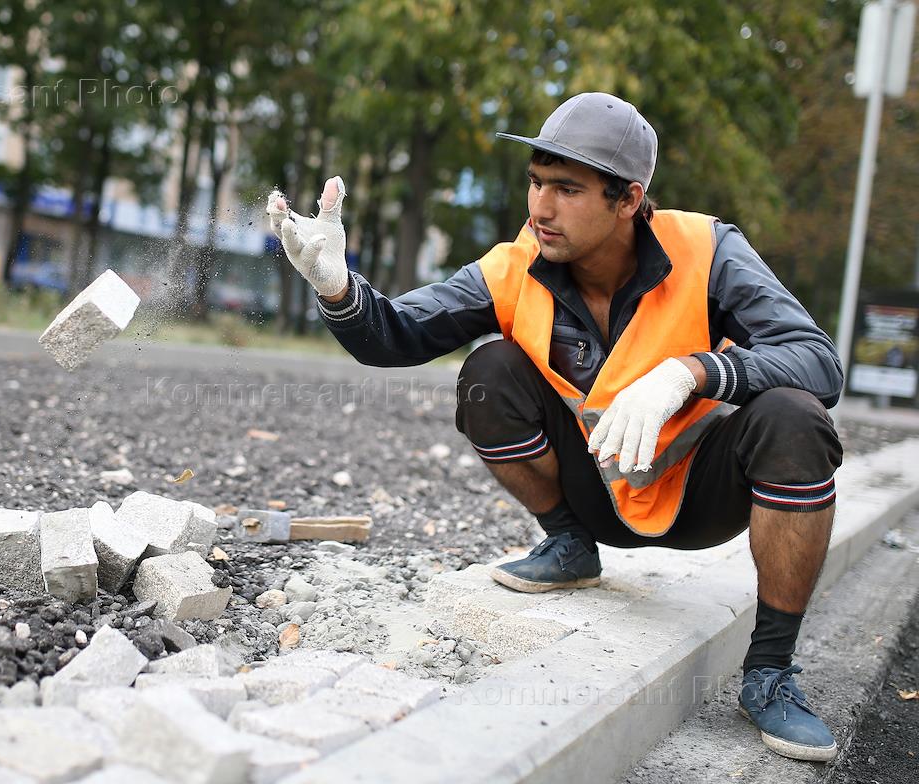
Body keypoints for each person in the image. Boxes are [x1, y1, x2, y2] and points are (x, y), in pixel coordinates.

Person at [266, 92, 844, 763]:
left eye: (567, 189)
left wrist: (689, 373)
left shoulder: (707, 248)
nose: (541, 207)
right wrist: (338, 288)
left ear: (627, 200)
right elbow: (393, 336)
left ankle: (770, 674)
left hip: (700, 496)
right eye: (537, 183)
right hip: (592, 491)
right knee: (491, 369)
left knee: (795, 417)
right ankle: (569, 547)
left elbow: (818, 361)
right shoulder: (513, 268)